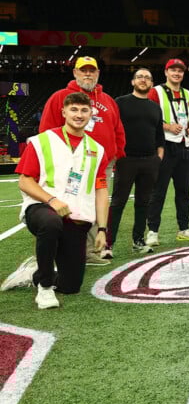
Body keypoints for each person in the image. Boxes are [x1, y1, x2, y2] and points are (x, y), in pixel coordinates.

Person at [14, 92, 109, 309]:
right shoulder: (42, 141)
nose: (79, 114)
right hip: (41, 209)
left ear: (91, 114)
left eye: (84, 110)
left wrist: (102, 228)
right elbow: (25, 181)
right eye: (74, 109)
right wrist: (52, 200)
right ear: (63, 112)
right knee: (50, 222)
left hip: (74, 218)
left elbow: (101, 190)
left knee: (71, 285)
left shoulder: (97, 149)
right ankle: (45, 287)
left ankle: (37, 274)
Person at [39, 56, 125, 266]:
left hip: (101, 165)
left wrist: (115, 154)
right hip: (71, 165)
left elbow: (118, 130)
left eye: (92, 71)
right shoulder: (60, 97)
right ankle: (68, 251)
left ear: (98, 73)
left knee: (97, 206)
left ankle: (92, 251)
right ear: (75, 73)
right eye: (83, 70)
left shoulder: (108, 100)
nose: (88, 74)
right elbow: (47, 131)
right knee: (70, 206)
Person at [145, 59, 189, 245]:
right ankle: (153, 231)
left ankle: (184, 228)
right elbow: (149, 116)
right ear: (166, 72)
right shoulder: (156, 91)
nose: (177, 73)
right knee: (158, 191)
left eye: (180, 71)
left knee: (184, 191)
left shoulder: (188, 93)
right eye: (173, 70)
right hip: (165, 145)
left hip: (185, 146)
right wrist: (167, 126)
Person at [108, 68, 165, 256]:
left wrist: (159, 157)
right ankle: (108, 244)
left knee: (143, 202)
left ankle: (138, 241)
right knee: (118, 202)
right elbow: (112, 128)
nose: (143, 80)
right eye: (139, 77)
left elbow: (159, 135)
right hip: (126, 160)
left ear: (151, 83)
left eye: (147, 78)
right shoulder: (120, 103)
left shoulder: (155, 107)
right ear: (133, 82)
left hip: (150, 161)